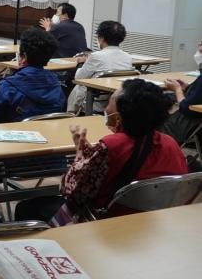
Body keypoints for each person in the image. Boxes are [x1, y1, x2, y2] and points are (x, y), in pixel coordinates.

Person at [16, 79, 187, 225]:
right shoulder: (170, 143)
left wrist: (79, 157)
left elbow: (71, 192)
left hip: (108, 223)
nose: (105, 108)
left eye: (110, 101)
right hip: (155, 222)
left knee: (27, 207)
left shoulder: (111, 146)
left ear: (119, 117)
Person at [0, 28, 65, 124]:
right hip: (46, 135)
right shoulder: (57, 85)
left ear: (24, 57)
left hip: (13, 136)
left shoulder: (9, 86)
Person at [67, 21, 133, 113]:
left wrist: (82, 64)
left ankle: (71, 114)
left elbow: (79, 78)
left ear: (101, 38)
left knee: (77, 86)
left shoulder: (96, 56)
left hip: (93, 101)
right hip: (115, 101)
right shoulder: (128, 57)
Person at [161, 40, 202, 145]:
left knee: (151, 120)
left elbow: (187, 108)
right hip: (195, 120)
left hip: (189, 122)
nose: (198, 50)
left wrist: (178, 89)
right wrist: (188, 88)